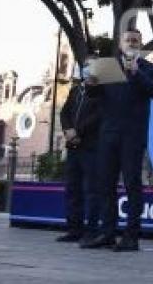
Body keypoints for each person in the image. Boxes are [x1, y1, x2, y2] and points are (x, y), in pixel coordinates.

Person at [80, 29, 153, 252]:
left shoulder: (148, 68)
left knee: (132, 185)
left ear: (141, 44)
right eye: (128, 40)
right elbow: (92, 96)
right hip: (108, 135)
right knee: (105, 185)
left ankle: (131, 237)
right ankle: (107, 233)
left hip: (133, 136)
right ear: (120, 44)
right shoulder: (108, 68)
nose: (132, 43)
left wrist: (137, 73)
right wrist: (90, 83)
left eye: (136, 40)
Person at [56, 59, 101, 243]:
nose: (88, 68)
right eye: (86, 65)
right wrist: (68, 130)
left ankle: (91, 230)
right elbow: (64, 112)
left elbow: (99, 116)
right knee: (72, 188)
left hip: (90, 146)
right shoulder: (75, 90)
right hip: (72, 146)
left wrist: (78, 131)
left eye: (92, 65)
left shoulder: (101, 92)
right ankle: (74, 229)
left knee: (91, 190)